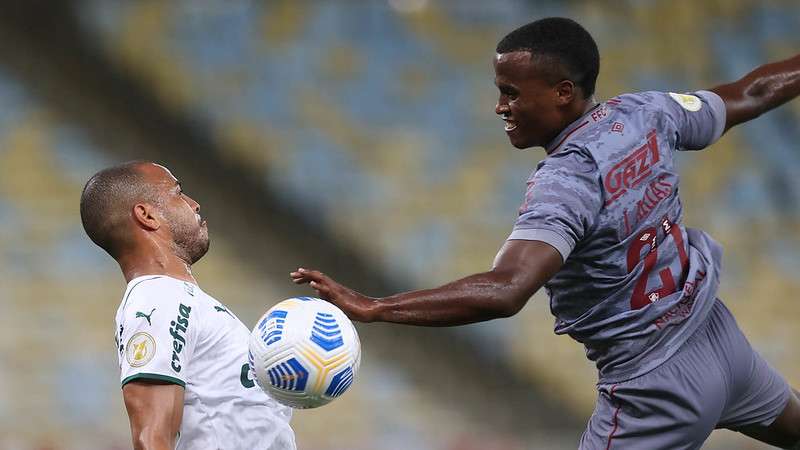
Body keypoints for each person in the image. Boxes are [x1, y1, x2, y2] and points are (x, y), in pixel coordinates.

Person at [291, 17, 800, 449]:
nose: (500, 107)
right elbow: (751, 93)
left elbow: (507, 290)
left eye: (510, 93)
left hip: (653, 385)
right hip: (720, 341)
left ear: (562, 94)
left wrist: (378, 308)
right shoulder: (647, 114)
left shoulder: (567, 180)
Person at [80, 162, 295, 450]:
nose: (194, 204)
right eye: (178, 193)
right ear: (147, 215)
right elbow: (151, 438)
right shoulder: (155, 301)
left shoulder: (179, 298)